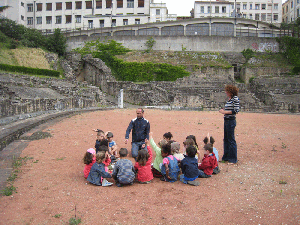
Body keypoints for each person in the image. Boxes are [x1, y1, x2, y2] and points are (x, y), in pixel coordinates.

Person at [219, 84, 240, 164]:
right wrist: (223, 110)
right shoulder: (230, 99)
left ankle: (233, 159)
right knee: (226, 139)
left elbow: (236, 110)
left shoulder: (235, 99)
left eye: (227, 91)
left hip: (231, 120)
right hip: (227, 120)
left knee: (231, 140)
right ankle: (226, 157)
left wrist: (224, 112)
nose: (226, 92)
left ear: (231, 91)